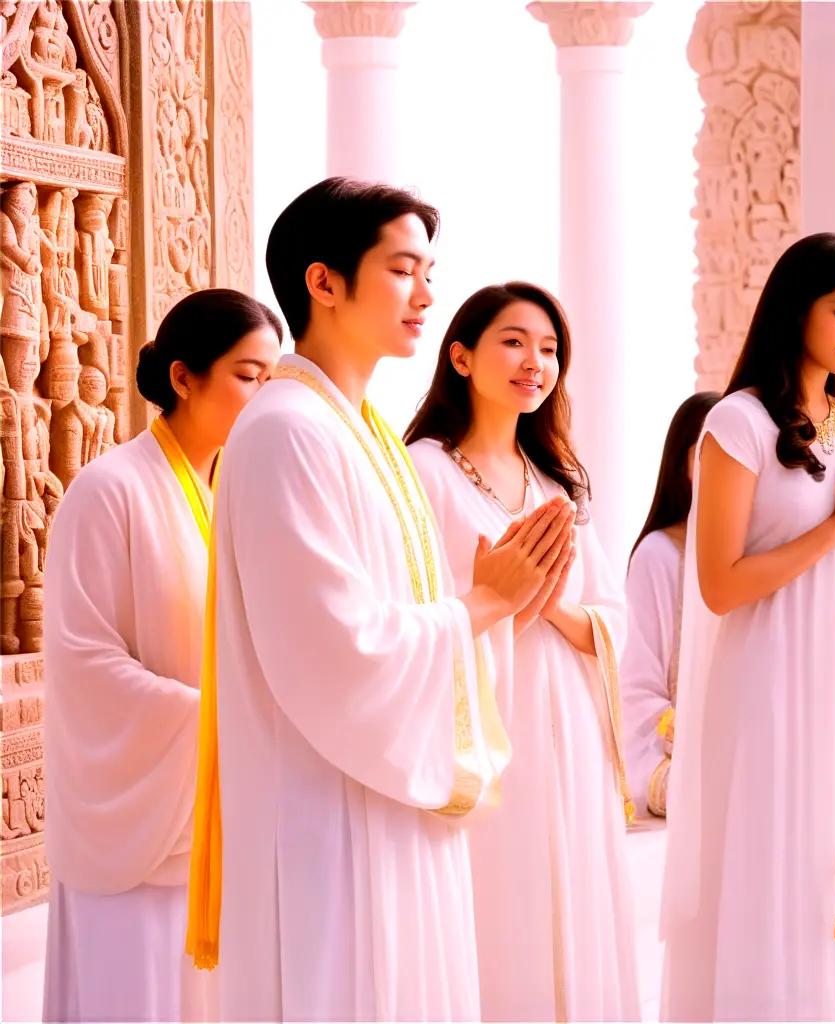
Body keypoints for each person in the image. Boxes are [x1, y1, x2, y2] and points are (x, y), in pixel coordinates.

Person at [188, 181, 574, 1021]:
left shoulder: (361, 432)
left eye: (429, 272)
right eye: (403, 271)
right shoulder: (288, 430)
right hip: (327, 813)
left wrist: (499, 603)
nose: (428, 296)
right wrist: (482, 604)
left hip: (389, 797)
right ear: (323, 283)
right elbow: (333, 645)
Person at [659, 233, 835, 1022]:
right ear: (795, 306)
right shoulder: (736, 424)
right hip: (765, 680)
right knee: (773, 856)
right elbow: (719, 586)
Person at [42, 288, 282, 1022]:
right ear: (184, 377)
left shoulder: (231, 496)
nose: (265, 399)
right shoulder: (107, 489)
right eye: (248, 376)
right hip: (141, 816)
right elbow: (85, 662)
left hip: (218, 807)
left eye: (274, 381)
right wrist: (216, 720)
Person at [405, 281, 640, 1022]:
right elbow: (417, 609)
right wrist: (499, 599)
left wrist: (544, 603)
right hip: (485, 721)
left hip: (567, 721)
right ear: (462, 357)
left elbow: (609, 618)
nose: (534, 361)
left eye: (548, 349)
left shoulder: (557, 482)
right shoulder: (425, 473)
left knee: (573, 888)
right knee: (500, 895)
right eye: (513, 341)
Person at [621, 391, 719, 818]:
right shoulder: (659, 555)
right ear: (683, 462)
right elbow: (638, 689)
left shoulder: (760, 552)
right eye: (710, 455)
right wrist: (693, 731)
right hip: (672, 751)